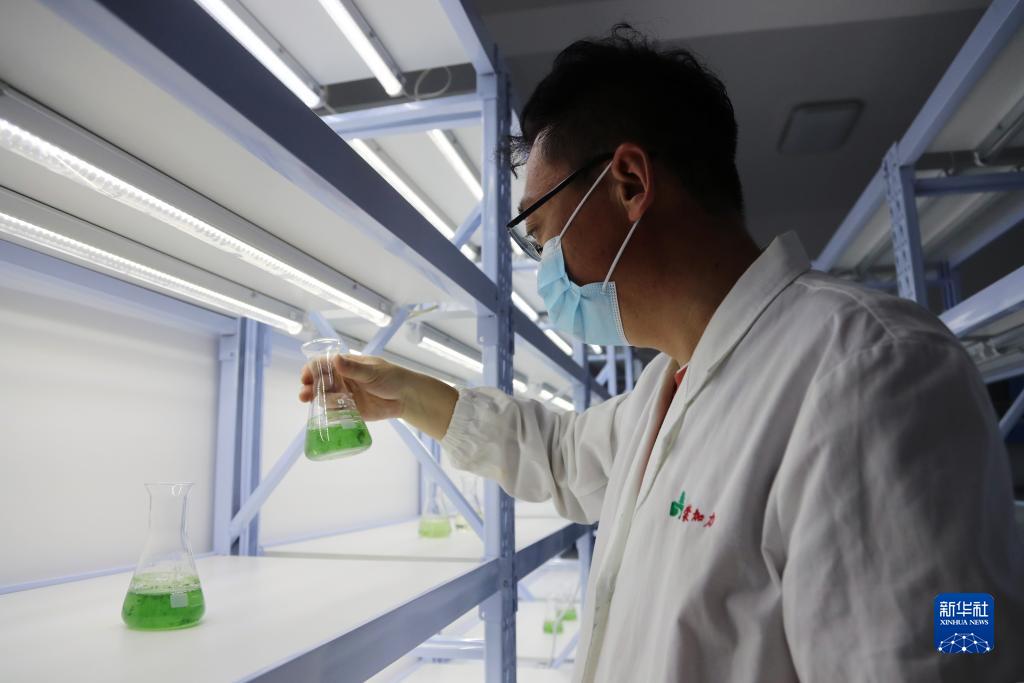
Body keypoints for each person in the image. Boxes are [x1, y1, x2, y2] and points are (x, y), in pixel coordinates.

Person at [301, 25, 1024, 682]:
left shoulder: (875, 369)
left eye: (541, 232)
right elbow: (558, 452)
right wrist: (403, 394)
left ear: (629, 183)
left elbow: (956, 645)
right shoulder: (668, 389)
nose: (543, 264)